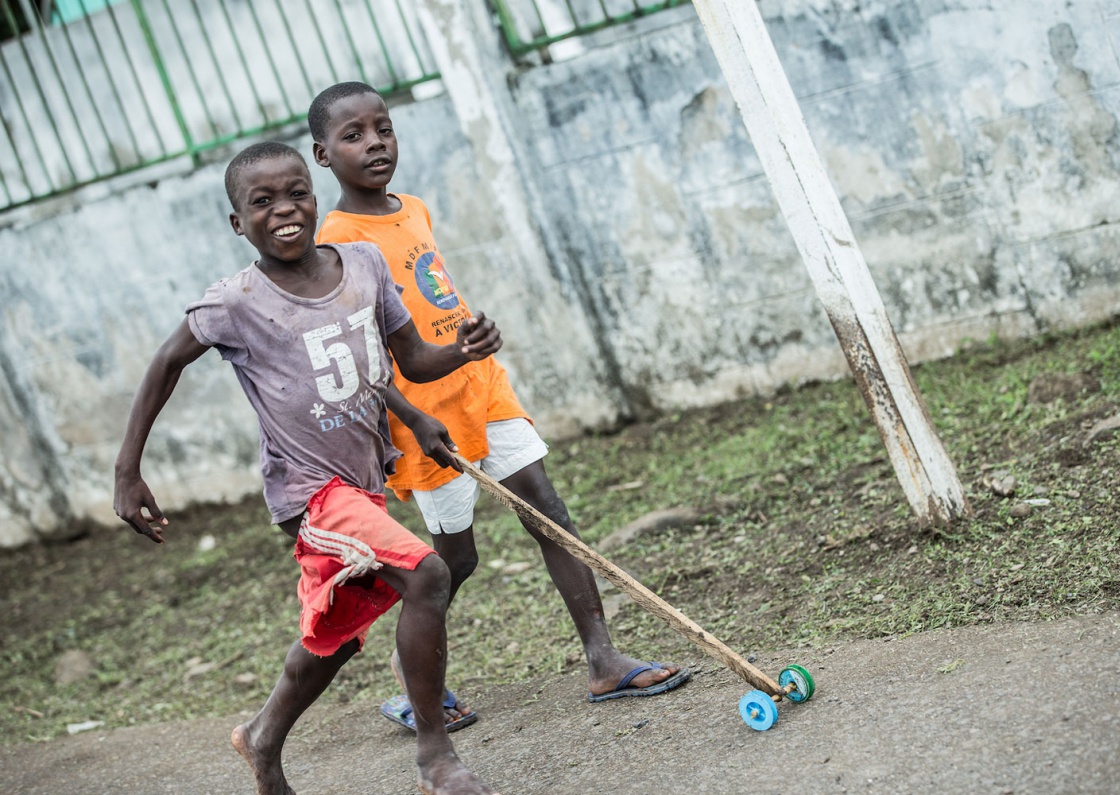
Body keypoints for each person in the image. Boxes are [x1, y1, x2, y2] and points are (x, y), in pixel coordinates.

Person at [113, 141, 500, 795]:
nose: (284, 209)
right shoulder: (237, 300)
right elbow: (166, 361)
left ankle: (262, 736)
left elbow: (404, 359)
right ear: (238, 222)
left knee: (339, 633)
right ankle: (437, 759)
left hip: (363, 485)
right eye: (262, 202)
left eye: (296, 193)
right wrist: (128, 470)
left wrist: (457, 355)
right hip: (310, 492)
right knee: (428, 573)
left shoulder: (363, 264)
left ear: (314, 198)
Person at [307, 81, 690, 731]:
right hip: (425, 415)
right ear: (323, 155)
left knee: (549, 510)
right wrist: (408, 418)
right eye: (353, 135)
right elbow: (359, 352)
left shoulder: (414, 209)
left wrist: (472, 342)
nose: (375, 143)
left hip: (481, 384)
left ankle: (603, 659)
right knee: (454, 560)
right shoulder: (338, 241)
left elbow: (432, 295)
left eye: (383, 128)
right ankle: (412, 670)